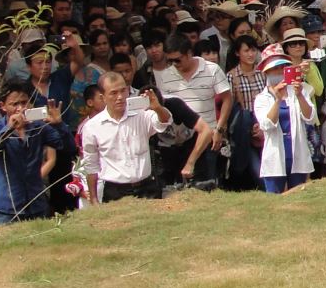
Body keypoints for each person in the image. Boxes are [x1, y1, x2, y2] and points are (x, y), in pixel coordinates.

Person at [0, 81, 66, 223]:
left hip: (36, 205)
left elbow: (66, 146)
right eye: (14, 104)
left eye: (24, 102)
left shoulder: (38, 126)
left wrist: (59, 124)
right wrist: (9, 128)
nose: (20, 108)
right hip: (7, 209)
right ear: (2, 106)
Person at [81, 73, 172, 203]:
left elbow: (164, 122)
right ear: (103, 97)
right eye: (113, 93)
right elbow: (91, 164)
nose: (120, 97)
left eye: (123, 91)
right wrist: (94, 199)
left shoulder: (142, 115)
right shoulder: (92, 126)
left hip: (147, 187)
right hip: (115, 191)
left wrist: (158, 108)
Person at [158, 32, 232, 189]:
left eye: (177, 60)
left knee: (207, 186)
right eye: (170, 60)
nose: (174, 64)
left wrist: (219, 129)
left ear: (189, 53)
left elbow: (227, 98)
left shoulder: (212, 69)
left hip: (209, 137)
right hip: (180, 140)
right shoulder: (165, 75)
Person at [253, 46, 317, 193]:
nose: (279, 72)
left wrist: (300, 95)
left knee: (299, 196)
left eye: (283, 67)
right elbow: (266, 124)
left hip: (297, 153)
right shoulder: (261, 98)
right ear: (266, 72)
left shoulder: (298, 90)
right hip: (275, 156)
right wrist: (277, 100)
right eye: (275, 68)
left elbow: (310, 118)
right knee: (274, 199)